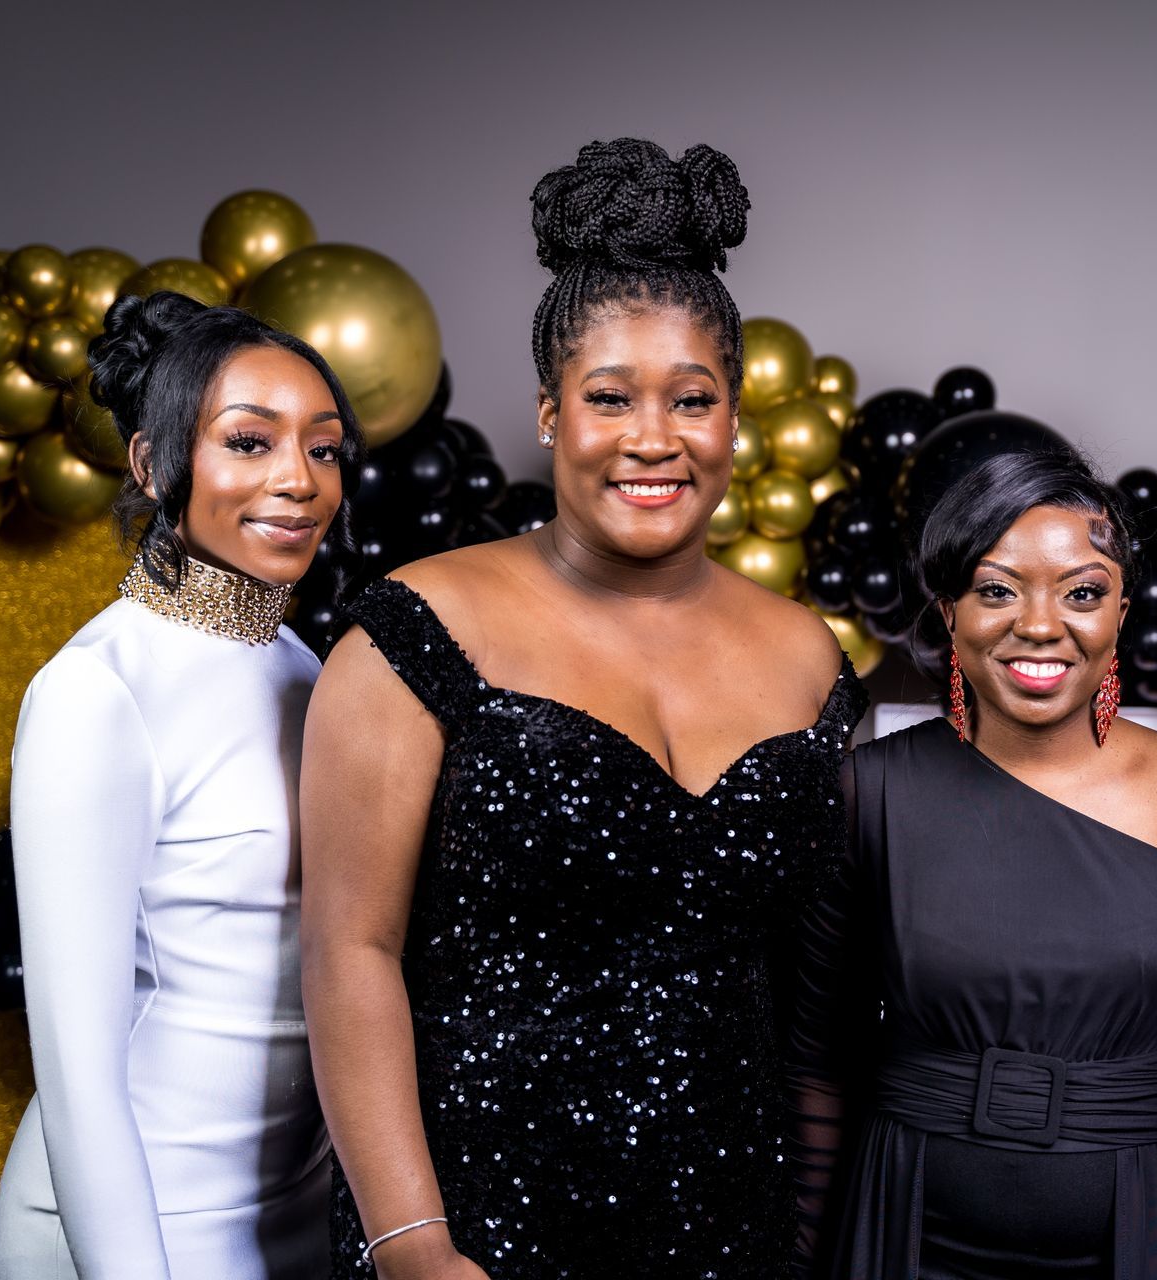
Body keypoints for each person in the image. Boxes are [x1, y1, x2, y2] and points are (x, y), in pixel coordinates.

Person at [300, 137, 864, 1280]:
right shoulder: (415, 629)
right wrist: (414, 1242)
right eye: (611, 397)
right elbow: (347, 947)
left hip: (728, 1223)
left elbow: (808, 975)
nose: (654, 438)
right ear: (552, 413)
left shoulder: (807, 653)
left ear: (735, 417)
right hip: (477, 1219)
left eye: (691, 399)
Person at [0, 290, 366, 1278]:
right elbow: (75, 1069)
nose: (299, 479)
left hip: (295, 1207)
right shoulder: (96, 690)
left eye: (324, 449)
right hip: (135, 1213)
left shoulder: (305, 664)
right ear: (151, 462)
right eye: (250, 442)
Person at [787, 450, 1157, 1280]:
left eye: (1083, 591)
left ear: (1122, 612)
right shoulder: (871, 792)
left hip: (1133, 1233)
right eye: (997, 589)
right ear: (949, 611)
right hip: (906, 1227)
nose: (1039, 623)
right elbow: (817, 1064)